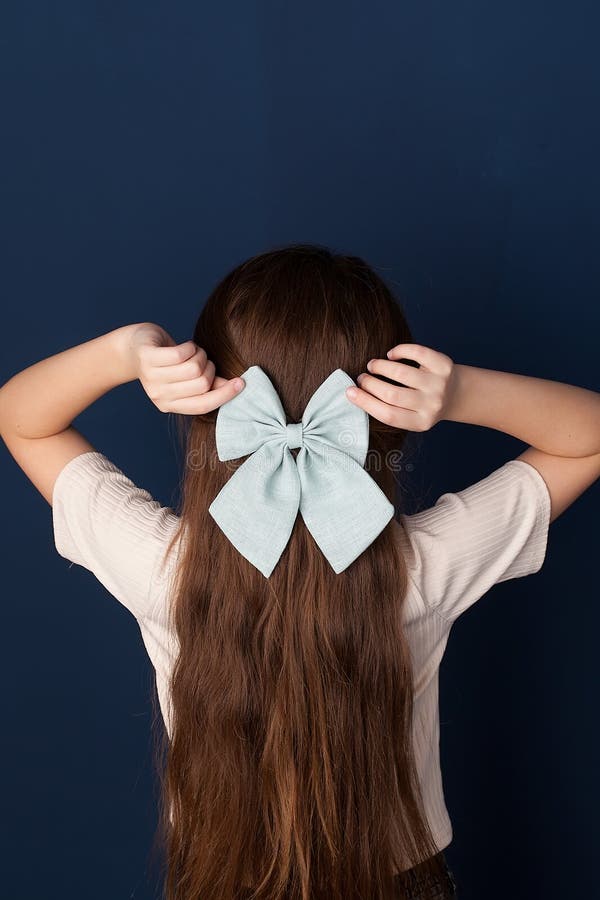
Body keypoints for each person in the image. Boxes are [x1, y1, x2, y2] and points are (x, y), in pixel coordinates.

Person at [1, 243, 598, 900]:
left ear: (210, 406)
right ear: (384, 412)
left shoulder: (160, 568)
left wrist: (124, 352)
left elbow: (22, 420)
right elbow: (589, 435)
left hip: (215, 881)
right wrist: (459, 392)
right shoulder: (425, 568)